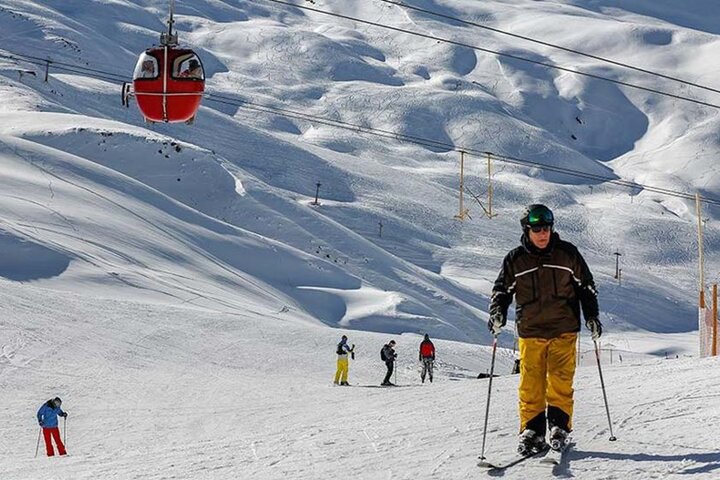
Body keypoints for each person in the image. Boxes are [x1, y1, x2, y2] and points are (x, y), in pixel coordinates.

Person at [488, 204, 601, 455]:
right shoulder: (515, 260)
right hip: (531, 331)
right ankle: (532, 429)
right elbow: (501, 291)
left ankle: (559, 426)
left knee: (560, 379)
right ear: (526, 230)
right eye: (537, 228)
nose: (543, 233)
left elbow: (586, 287)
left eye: (546, 228)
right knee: (531, 383)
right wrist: (497, 313)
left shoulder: (567, 254)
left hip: (564, 328)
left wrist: (592, 316)